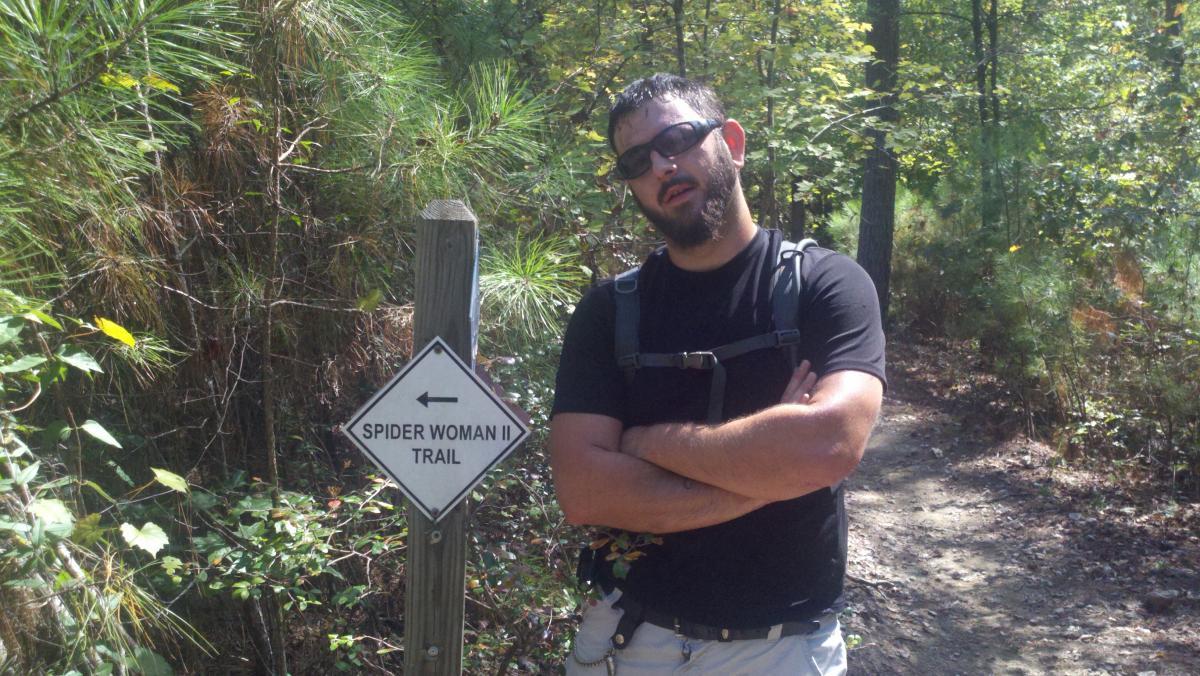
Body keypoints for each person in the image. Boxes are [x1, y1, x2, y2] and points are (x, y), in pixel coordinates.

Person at [549, 73, 886, 675]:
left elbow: (829, 443)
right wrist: (775, 470)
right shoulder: (608, 312)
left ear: (731, 142)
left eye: (677, 139)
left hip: (781, 649)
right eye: (636, 160)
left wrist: (645, 443)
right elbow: (584, 490)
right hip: (628, 639)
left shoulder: (824, 286)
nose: (661, 166)